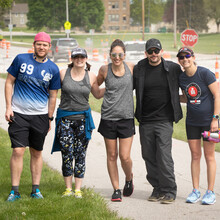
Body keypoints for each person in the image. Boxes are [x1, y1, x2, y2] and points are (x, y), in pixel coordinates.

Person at [5, 32, 61, 202]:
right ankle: (14, 191)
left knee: (37, 152)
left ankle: (35, 189)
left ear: (49, 47)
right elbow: (9, 82)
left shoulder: (53, 69)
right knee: (18, 150)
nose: (41, 47)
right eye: (39, 44)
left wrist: (49, 118)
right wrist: (8, 107)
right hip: (19, 113)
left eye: (45, 45)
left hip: (40, 116)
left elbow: (53, 96)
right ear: (34, 45)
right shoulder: (21, 59)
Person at [133, 38, 183, 204]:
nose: (153, 54)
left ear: (161, 51)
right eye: (150, 51)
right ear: (146, 52)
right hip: (145, 120)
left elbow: (189, 80)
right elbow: (126, 85)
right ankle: (157, 188)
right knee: (148, 156)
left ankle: (169, 190)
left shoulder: (173, 68)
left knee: (164, 155)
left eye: (156, 51)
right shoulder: (140, 68)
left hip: (164, 120)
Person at [51, 47, 105, 198]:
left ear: (86, 59)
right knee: (67, 153)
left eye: (82, 57)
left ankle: (78, 189)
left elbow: (98, 94)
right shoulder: (63, 74)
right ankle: (68, 188)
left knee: (80, 154)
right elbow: (52, 93)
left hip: (83, 120)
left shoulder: (91, 76)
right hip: (65, 120)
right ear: (72, 59)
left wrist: (114, 86)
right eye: (76, 57)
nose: (79, 59)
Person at [177, 47, 220, 205]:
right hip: (192, 123)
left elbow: (217, 95)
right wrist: (172, 98)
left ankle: (210, 192)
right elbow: (187, 97)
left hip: (210, 123)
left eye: (187, 55)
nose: (184, 59)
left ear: (193, 57)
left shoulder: (205, 73)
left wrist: (215, 119)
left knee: (210, 156)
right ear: (179, 60)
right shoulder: (181, 78)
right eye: (181, 57)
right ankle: (195, 190)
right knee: (195, 156)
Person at [97, 39, 135, 202]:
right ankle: (116, 189)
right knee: (112, 155)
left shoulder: (132, 68)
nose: (117, 57)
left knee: (124, 156)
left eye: (120, 54)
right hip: (108, 117)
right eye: (114, 54)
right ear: (110, 55)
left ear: (124, 55)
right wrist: (101, 91)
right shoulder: (104, 69)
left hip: (126, 118)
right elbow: (95, 87)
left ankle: (129, 178)